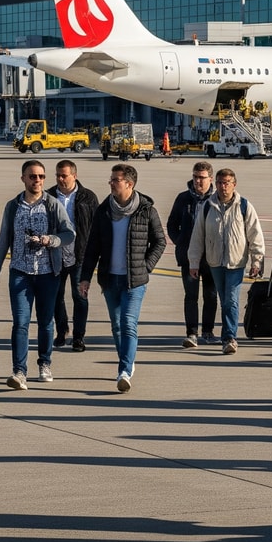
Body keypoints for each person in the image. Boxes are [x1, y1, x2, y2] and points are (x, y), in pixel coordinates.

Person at [0, 160, 76, 389]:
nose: (37, 180)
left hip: (48, 272)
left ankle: (45, 363)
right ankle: (19, 371)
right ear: (23, 179)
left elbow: (69, 234)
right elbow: (2, 241)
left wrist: (51, 240)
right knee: (20, 322)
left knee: (46, 322)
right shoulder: (13, 206)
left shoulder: (53, 204)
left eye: (41, 177)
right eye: (32, 176)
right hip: (20, 272)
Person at [78, 164, 166, 392]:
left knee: (128, 324)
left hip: (134, 281)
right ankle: (126, 360)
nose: (111, 183)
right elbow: (92, 246)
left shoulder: (146, 210)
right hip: (109, 279)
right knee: (117, 326)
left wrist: (145, 267)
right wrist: (85, 277)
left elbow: (160, 242)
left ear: (129, 183)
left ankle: (125, 370)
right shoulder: (104, 210)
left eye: (115, 180)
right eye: (111, 179)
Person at [187, 168, 265, 355]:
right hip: (215, 262)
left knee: (231, 300)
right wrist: (194, 261)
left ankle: (229, 338)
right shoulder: (208, 206)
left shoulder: (244, 206)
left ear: (234, 184)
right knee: (224, 300)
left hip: (236, 262)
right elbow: (198, 236)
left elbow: (255, 235)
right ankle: (226, 336)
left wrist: (256, 261)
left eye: (227, 183)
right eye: (220, 183)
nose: (223, 187)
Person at [167, 162, 219, 348]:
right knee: (191, 296)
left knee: (211, 295)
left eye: (202, 177)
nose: (198, 181)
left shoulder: (217, 198)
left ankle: (208, 331)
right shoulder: (183, 198)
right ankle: (192, 333)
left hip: (212, 256)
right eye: (195, 177)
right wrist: (181, 241)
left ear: (210, 179)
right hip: (190, 256)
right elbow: (172, 224)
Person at [50, 159, 99, 351]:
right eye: (58, 175)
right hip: (56, 255)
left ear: (74, 176)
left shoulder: (88, 197)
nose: (61, 179)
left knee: (80, 296)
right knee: (56, 296)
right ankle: (62, 331)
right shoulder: (49, 196)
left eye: (64, 175)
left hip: (81, 255)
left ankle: (79, 337)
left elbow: (97, 227)